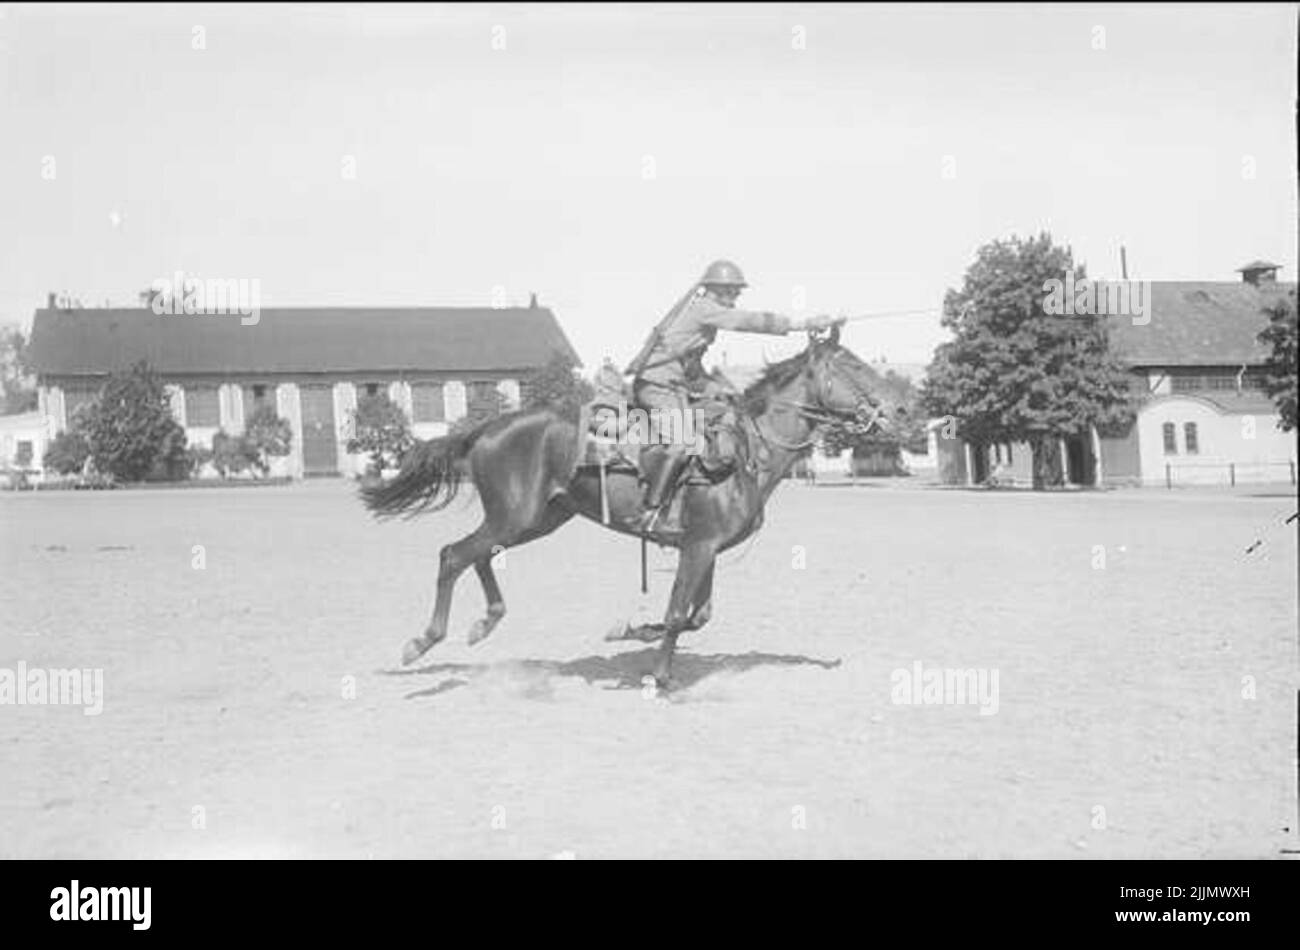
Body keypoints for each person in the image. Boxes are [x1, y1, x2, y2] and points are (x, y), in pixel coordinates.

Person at [625, 259, 838, 532]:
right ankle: (650, 513)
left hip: (674, 387)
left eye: (737, 293)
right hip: (656, 386)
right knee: (682, 444)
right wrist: (804, 323)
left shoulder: (703, 319)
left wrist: (720, 390)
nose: (735, 299)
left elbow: (691, 371)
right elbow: (747, 321)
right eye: (733, 293)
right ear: (717, 290)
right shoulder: (704, 309)